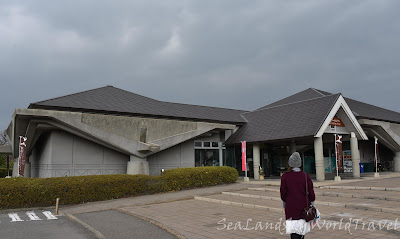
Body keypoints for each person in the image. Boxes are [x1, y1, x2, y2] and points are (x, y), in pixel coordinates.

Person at [280, 152, 315, 239]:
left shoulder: (285, 176)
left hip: (291, 207)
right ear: (300, 164)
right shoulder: (306, 176)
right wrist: (313, 204)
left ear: (290, 164)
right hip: (304, 207)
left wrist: (285, 202)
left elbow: (283, 193)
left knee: (294, 233)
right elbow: (311, 193)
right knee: (301, 232)